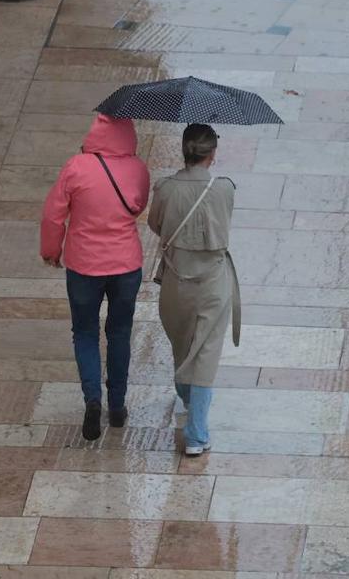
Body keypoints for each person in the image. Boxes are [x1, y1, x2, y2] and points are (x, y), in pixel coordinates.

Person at [41, 114, 150, 442]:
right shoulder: (138, 169)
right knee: (119, 332)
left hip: (84, 265)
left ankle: (92, 400)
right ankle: (117, 405)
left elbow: (53, 213)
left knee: (85, 332)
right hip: (126, 265)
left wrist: (51, 250)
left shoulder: (75, 166)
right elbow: (138, 206)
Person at [147, 123, 239, 457]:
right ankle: (197, 434)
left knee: (182, 343)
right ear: (212, 154)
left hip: (175, 280)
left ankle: (189, 403)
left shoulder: (165, 189)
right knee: (206, 353)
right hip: (213, 282)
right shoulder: (225, 188)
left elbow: (155, 224)